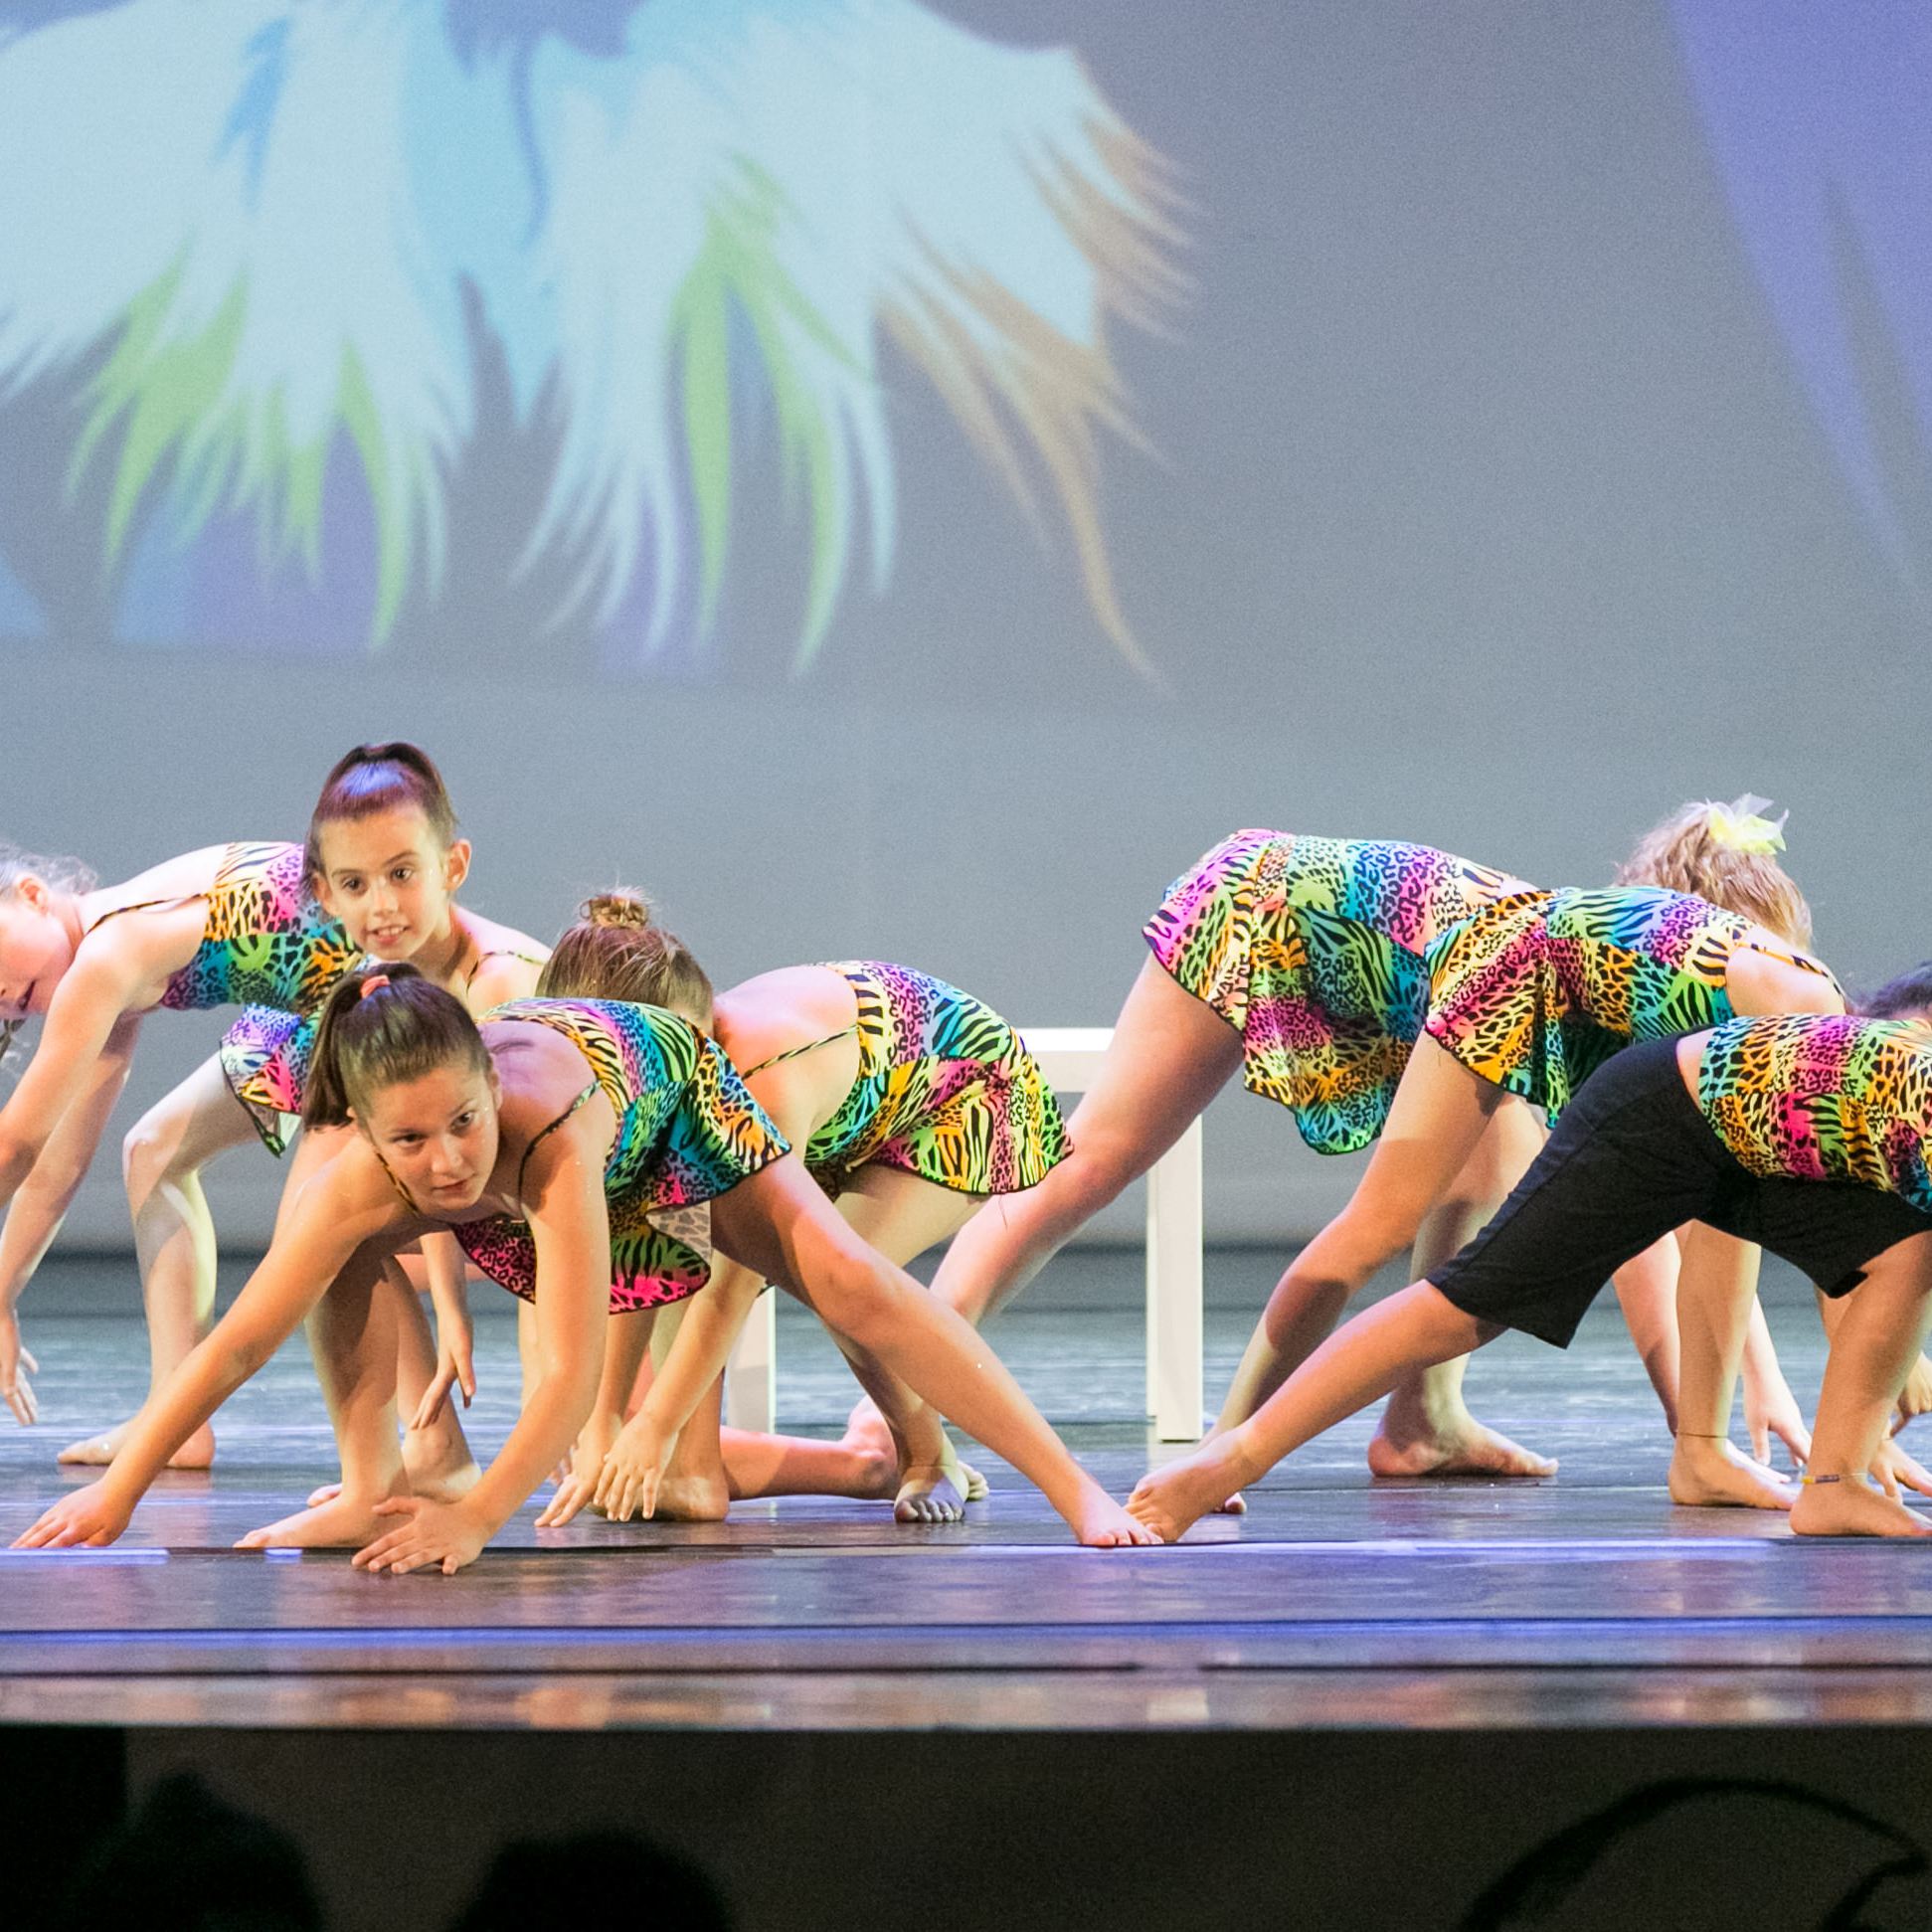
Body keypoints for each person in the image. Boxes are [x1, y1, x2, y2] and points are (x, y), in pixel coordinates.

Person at [15, 966, 1154, 1564]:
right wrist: (121, 1487)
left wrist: (478, 1517)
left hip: (667, 1099)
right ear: (363, 1129)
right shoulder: (362, 1173)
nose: (447, 1162)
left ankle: (1073, 1489)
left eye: (463, 1121)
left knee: (849, 1280)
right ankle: (370, 1484)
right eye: (410, 1139)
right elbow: (241, 1339)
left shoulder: (548, 1131)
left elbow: (564, 1373)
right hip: (556, 1119)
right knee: (340, 1255)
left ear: (487, 1084)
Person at [1127, 1011, 1932, 1542]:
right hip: (1657, 1115)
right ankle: (1227, 1460)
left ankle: (1833, 1483)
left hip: (1741, 1144)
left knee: (1904, 1251)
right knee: (1462, 1309)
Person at [56, 743, 549, 1490]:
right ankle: (416, 1459)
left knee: (628, 1459)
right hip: (494, 1194)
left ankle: (434, 1459)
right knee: (324, 1222)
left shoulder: (496, 982)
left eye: (402, 874)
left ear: (453, 865)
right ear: (325, 893)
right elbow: (431, 1165)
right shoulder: (377, 987)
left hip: (602, 1203)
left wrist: (464, 1313)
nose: (382, 905)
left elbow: (531, 1168)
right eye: (356, 883)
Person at [529, 893, 1069, 1524]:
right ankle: (699, 1473)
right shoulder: (618, 1086)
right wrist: (602, 1422)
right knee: (680, 1253)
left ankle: (927, 1456)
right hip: (851, 1112)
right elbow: (640, 1250)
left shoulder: (758, 1081)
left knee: (842, 1277)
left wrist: (654, 1424)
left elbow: (732, 1287)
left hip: (960, 1093)